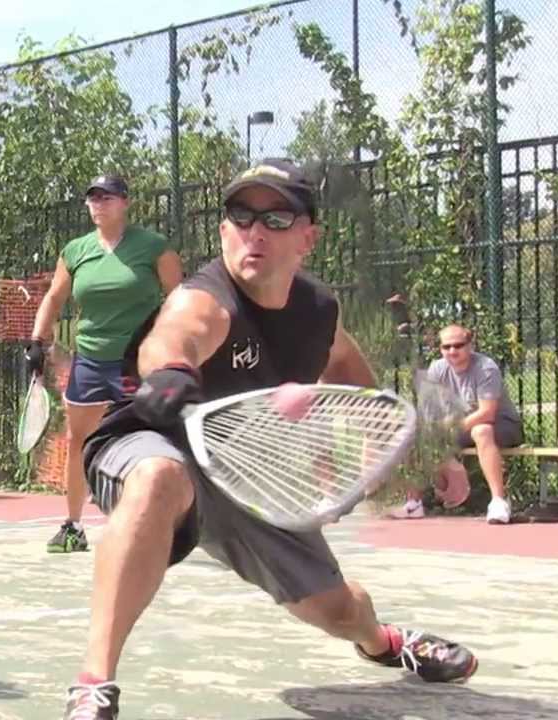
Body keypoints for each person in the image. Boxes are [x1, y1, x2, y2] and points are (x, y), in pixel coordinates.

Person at [63, 160, 478, 720]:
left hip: (251, 472)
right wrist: (172, 374)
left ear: (309, 237)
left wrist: (432, 454)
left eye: (276, 218)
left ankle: (385, 642)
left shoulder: (317, 312)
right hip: (157, 443)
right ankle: (94, 685)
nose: (255, 231)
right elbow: (175, 335)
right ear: (223, 231)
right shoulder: (205, 297)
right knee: (158, 479)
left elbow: (357, 383)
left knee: (339, 611)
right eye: (241, 215)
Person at [28, 174, 182, 553]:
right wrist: (36, 341)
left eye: (107, 197)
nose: (98, 203)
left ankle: (159, 522)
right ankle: (73, 526)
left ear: (125, 203)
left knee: (147, 441)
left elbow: (180, 298)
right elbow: (53, 297)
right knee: (79, 440)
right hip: (91, 361)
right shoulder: (76, 250)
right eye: (93, 197)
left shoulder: (153, 247)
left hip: (139, 362)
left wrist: (177, 347)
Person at [390, 324, 522, 523]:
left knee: (482, 430)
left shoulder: (485, 367)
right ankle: (414, 504)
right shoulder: (437, 369)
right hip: (460, 427)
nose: (452, 351)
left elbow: (487, 412)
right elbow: (430, 415)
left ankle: (498, 502)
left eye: (458, 345)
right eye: (446, 347)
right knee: (414, 435)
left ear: (470, 345)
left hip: (501, 425)